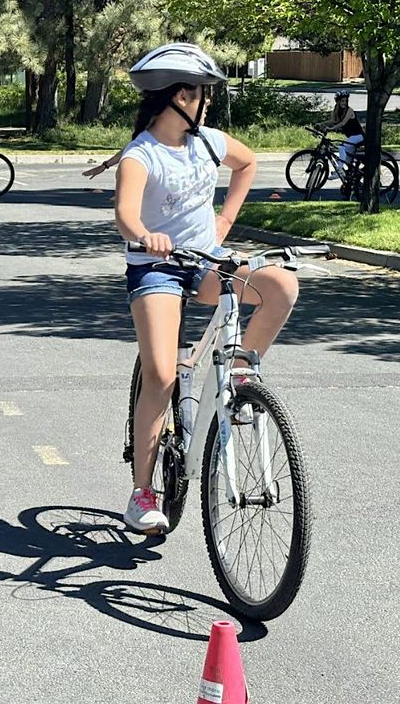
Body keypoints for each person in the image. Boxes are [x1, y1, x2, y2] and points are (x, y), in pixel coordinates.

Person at [115, 42, 299, 534]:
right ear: (174, 97)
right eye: (199, 92)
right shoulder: (141, 155)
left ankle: (238, 381)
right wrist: (144, 236)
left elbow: (248, 163)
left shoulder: (210, 141)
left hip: (206, 263)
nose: (206, 101)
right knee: (160, 372)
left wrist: (226, 218)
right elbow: (125, 215)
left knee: (280, 285)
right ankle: (143, 493)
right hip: (157, 268)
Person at [322, 89, 364, 177]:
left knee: (342, 147)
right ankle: (352, 176)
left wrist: (330, 129)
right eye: (342, 101)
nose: (344, 103)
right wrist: (321, 124)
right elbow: (333, 121)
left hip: (358, 136)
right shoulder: (337, 111)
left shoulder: (350, 110)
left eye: (345, 101)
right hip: (351, 137)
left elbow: (342, 123)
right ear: (337, 102)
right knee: (347, 160)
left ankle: (339, 171)